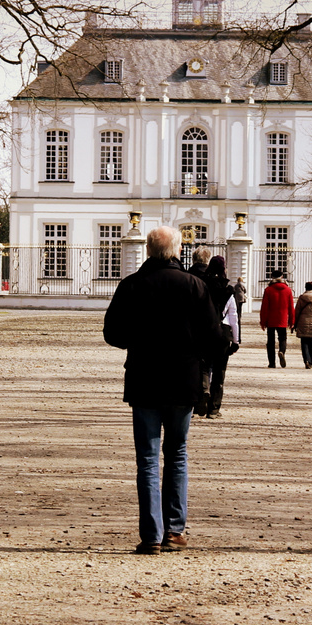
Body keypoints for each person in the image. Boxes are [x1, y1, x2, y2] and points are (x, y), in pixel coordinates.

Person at [104, 225, 228, 554]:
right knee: (177, 456)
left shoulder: (131, 285)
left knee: (147, 459)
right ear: (177, 251)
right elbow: (214, 339)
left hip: (144, 379)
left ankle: (150, 535)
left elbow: (112, 333)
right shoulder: (194, 286)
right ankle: (174, 531)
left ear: (147, 250)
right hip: (183, 380)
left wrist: (140, 342)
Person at [198, 254, 241, 418]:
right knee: (219, 372)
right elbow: (233, 318)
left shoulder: (201, 286)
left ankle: (203, 390)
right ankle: (214, 409)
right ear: (224, 269)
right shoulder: (228, 290)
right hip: (223, 334)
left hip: (205, 332)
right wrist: (236, 341)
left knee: (203, 366)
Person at [259, 270, 295, 368]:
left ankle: (272, 363)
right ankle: (281, 351)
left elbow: (264, 307)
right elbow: (291, 307)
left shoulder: (268, 290)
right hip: (283, 318)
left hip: (271, 319)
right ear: (282, 277)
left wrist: (263, 321)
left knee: (270, 341)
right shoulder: (288, 290)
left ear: (272, 277)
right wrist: (292, 321)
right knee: (282, 338)